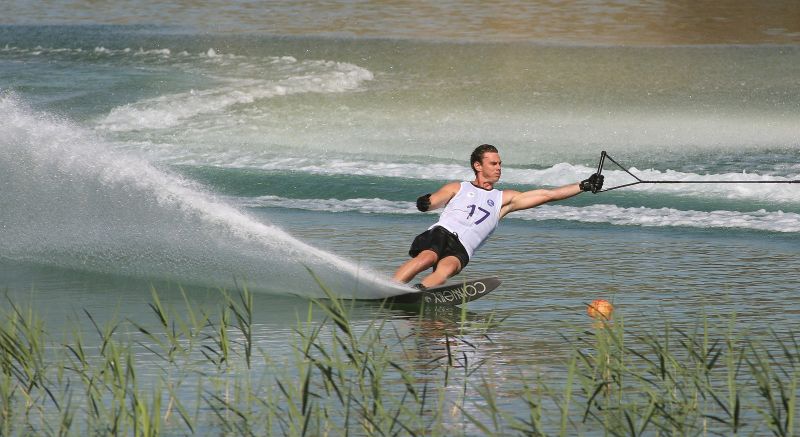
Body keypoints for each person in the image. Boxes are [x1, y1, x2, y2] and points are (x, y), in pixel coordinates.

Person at [393, 144, 603, 289]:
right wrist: (426, 202)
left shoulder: (504, 199)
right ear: (478, 166)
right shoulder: (459, 187)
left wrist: (583, 185)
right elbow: (434, 201)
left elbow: (548, 195)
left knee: (446, 269)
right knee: (428, 257)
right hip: (442, 234)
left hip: (464, 247)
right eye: (493, 164)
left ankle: (418, 292)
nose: (499, 168)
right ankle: (390, 288)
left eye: (500, 164)